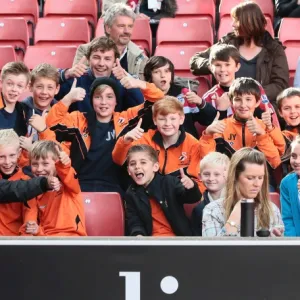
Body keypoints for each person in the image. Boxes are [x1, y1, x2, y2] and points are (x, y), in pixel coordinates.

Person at [37, 76, 163, 194]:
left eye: (109, 97)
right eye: (98, 97)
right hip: (80, 185)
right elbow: (51, 124)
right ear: (91, 100)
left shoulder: (126, 119)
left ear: (116, 101)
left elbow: (159, 103)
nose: (103, 102)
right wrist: (68, 99)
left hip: (116, 187)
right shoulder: (79, 119)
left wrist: (140, 84)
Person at [190, 1, 289, 104]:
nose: (232, 24)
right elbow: (195, 61)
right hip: (226, 105)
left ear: (249, 23)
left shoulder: (274, 49)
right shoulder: (228, 42)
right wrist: (217, 65)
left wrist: (248, 94)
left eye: (236, 20)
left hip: (258, 107)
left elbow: (280, 85)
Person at [112, 96, 212, 192]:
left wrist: (187, 188)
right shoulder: (145, 139)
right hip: (148, 196)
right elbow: (118, 160)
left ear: (181, 119)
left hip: (178, 199)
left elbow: (199, 182)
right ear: (155, 120)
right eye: (162, 119)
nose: (167, 123)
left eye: (172, 119)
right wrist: (125, 140)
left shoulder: (192, 144)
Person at [200, 77, 284, 169]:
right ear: (231, 102)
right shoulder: (221, 126)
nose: (243, 105)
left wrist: (261, 135)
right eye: (238, 99)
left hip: (257, 180)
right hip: (230, 180)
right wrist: (208, 135)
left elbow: (275, 163)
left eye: (248, 99)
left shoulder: (265, 127)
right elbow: (207, 164)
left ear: (257, 102)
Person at [202, 148, 284, 237]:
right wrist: (234, 218)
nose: (257, 184)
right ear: (235, 177)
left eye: (260, 178)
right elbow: (213, 250)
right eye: (250, 178)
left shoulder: (272, 209)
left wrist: (275, 241)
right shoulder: (213, 210)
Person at [125, 144, 201, 236]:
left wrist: (191, 187)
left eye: (143, 162)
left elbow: (192, 198)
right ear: (129, 171)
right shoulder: (131, 193)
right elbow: (135, 221)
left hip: (178, 241)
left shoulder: (169, 182)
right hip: (150, 243)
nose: (137, 167)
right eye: (133, 164)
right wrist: (138, 235)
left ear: (155, 167)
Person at [58, 36, 144, 112]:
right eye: (96, 57)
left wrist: (130, 83)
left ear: (115, 62)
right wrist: (66, 74)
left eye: (107, 59)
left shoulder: (124, 81)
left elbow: (140, 106)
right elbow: (47, 91)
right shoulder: (75, 79)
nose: (101, 63)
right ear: (88, 60)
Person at [202, 44, 280, 127]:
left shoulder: (253, 86)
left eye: (227, 65)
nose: (222, 69)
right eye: (217, 65)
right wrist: (221, 109)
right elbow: (208, 131)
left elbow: (271, 117)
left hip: (254, 137)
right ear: (210, 68)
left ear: (237, 67)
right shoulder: (208, 97)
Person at [143, 55, 218, 137]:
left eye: (167, 71)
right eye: (157, 72)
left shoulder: (184, 93)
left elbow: (209, 120)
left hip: (188, 146)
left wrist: (200, 102)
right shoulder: (144, 97)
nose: (163, 75)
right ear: (149, 76)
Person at [73, 3, 148, 78]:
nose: (127, 31)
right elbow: (77, 82)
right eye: (121, 26)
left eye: (130, 26)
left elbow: (143, 87)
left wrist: (126, 77)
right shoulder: (85, 50)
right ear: (108, 28)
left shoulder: (140, 57)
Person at [28, 140, 86, 236]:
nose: (39, 169)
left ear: (56, 164)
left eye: (45, 164)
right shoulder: (35, 193)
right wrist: (37, 231)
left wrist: (64, 164)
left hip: (73, 241)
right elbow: (43, 231)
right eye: (34, 164)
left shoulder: (70, 186)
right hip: (49, 244)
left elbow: (67, 173)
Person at [0, 129, 38, 235]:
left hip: (14, 242)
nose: (7, 162)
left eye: (12, 155)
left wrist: (24, 240)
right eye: (1, 157)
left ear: (19, 153)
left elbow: (30, 216)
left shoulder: (26, 181)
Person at [191, 152, 230, 236]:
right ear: (200, 176)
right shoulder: (199, 210)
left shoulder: (236, 203)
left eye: (217, 174)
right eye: (206, 174)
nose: (211, 178)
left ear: (228, 176)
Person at [0, 62, 30, 135]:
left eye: (19, 86)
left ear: (25, 88)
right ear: (1, 83)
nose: (14, 89)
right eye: (10, 84)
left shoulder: (24, 109)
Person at [280, 135, 300, 236]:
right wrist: (292, 244)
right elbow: (287, 219)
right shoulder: (286, 183)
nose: (297, 161)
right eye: (294, 156)